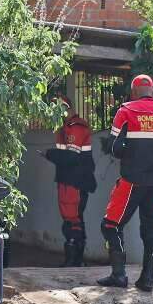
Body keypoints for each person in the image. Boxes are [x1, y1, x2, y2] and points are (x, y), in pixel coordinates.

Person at [97, 74, 153, 291]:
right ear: (152, 91)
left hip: (131, 182)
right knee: (152, 230)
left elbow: (115, 148)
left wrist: (130, 151)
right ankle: (147, 280)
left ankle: (119, 275)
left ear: (133, 92)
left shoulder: (125, 111)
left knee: (110, 225)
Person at [42, 95, 96, 267]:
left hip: (75, 182)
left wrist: (49, 154)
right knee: (72, 219)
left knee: (73, 220)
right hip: (69, 180)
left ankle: (74, 262)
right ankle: (74, 260)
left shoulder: (75, 127)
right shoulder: (66, 127)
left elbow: (72, 157)